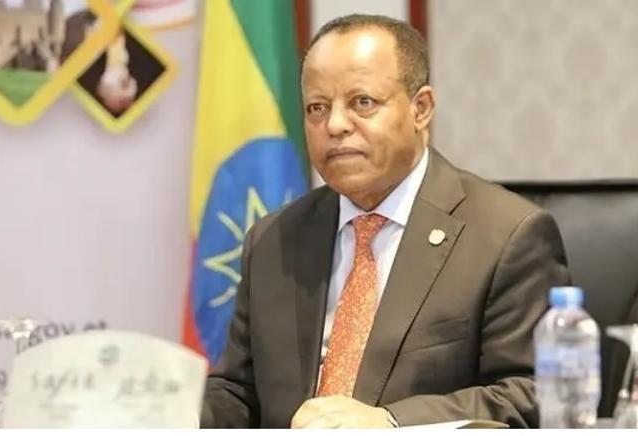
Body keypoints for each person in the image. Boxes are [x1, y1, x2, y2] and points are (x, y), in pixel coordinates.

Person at [199, 14, 570, 428]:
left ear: (420, 109)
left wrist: (392, 422)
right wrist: (161, 409)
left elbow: (534, 393)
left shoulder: (506, 236)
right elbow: (238, 392)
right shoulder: (274, 240)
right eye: (317, 108)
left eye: (362, 102)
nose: (335, 125)